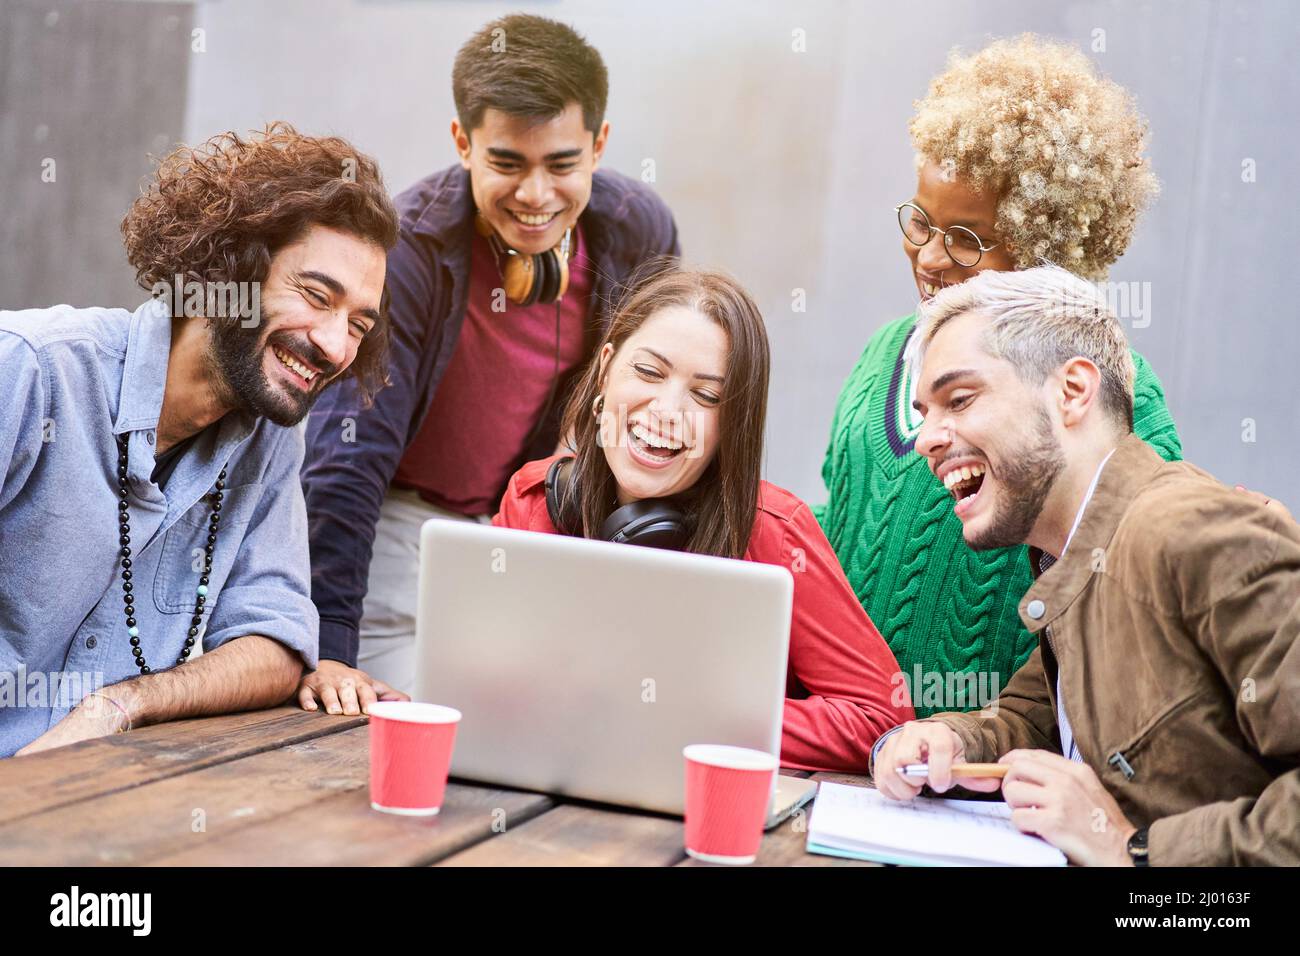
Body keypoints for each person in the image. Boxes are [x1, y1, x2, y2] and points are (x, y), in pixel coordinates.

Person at [299, 14, 680, 714]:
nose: (536, 196)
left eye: (562, 164)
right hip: (399, 534)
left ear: (599, 145)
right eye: (506, 163)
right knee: (399, 734)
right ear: (462, 143)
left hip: (534, 533)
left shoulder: (639, 229)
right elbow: (346, 458)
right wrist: (329, 648)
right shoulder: (406, 251)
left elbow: (654, 415)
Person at [872, 263, 1300, 866]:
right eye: (924, 411)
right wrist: (944, 741)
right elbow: (1040, 717)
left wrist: (1125, 847)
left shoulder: (1192, 531)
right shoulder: (1076, 549)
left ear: (1072, 391)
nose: (926, 438)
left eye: (960, 399)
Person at [0, 123, 398, 756]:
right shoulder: (30, 370)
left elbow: (275, 644)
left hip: (90, 797)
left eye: (358, 323)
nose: (334, 345)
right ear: (229, 270)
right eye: (315, 295)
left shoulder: (271, 437)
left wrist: (122, 704)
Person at [814, 36, 1182, 718]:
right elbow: (846, 524)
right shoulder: (881, 356)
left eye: (965, 238)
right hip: (842, 741)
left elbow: (1125, 601)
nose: (928, 256)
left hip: (987, 775)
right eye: (919, 221)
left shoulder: (1117, 392)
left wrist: (992, 737)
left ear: (1045, 243)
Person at [493, 266, 913, 772]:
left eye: (707, 396)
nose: (668, 409)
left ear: (731, 424)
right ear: (605, 369)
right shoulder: (534, 498)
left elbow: (878, 721)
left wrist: (686, 718)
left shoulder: (776, 533)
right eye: (648, 372)